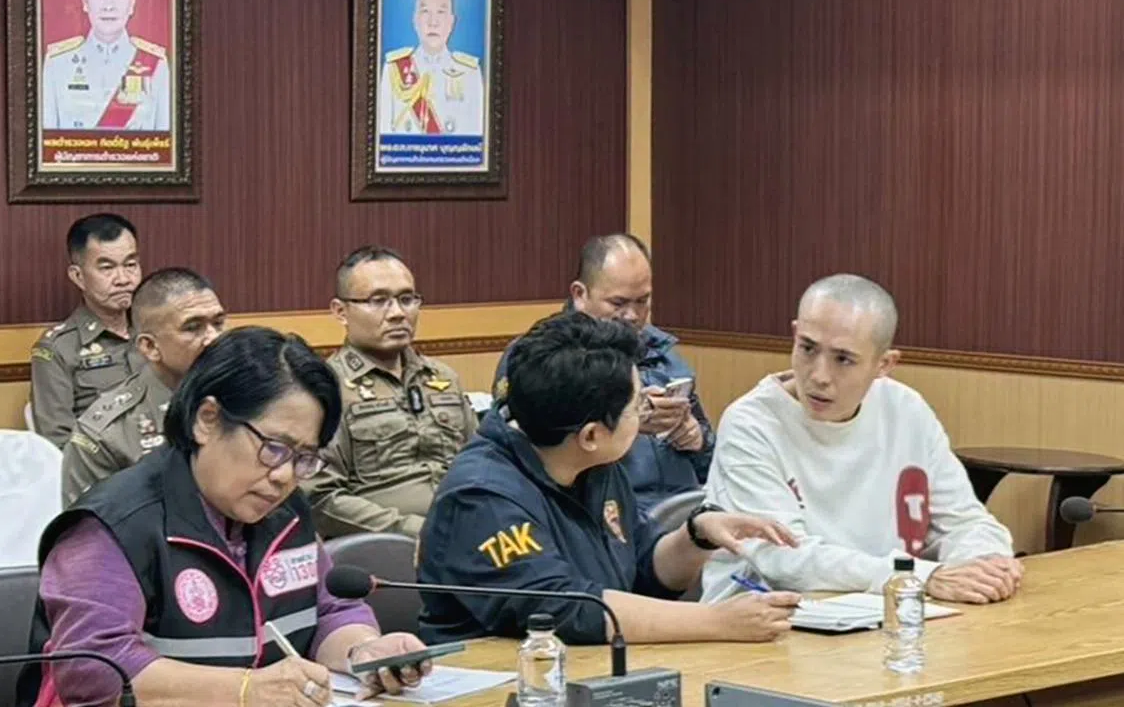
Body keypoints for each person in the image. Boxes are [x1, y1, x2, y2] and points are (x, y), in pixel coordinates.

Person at [17, 327, 433, 707]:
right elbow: (93, 671)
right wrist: (244, 691)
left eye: (305, 458)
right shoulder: (113, 525)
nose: (285, 475)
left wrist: (363, 651)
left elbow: (329, 611)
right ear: (207, 420)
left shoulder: (286, 511)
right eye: (274, 447)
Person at [418, 312, 803, 644]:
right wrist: (717, 621)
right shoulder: (481, 496)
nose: (646, 411)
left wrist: (697, 536)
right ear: (590, 435)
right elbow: (566, 610)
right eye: (637, 405)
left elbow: (644, 569)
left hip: (595, 673)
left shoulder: (595, 465)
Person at [701, 274, 1021, 606]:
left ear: (885, 364)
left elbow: (963, 520)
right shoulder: (751, 423)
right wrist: (919, 577)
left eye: (843, 359)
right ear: (795, 335)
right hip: (768, 620)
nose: (819, 376)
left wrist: (986, 564)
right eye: (807, 348)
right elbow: (785, 561)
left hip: (885, 609)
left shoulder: (906, 409)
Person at [494, 234, 715, 511]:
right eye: (618, 303)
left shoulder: (665, 355)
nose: (633, 316)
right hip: (603, 514)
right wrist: (624, 419)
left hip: (686, 506)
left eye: (642, 301)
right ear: (580, 295)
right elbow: (517, 452)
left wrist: (695, 438)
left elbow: (710, 463)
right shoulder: (542, 357)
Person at [304, 246, 477, 538]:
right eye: (378, 300)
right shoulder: (324, 387)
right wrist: (418, 531)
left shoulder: (443, 377)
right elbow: (320, 497)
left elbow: (485, 459)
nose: (397, 313)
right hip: (388, 545)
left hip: (470, 528)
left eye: (407, 299)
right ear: (340, 311)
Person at [60, 267, 227, 505]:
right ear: (149, 347)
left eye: (218, 323)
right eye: (193, 327)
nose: (214, 338)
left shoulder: (252, 397)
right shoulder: (105, 435)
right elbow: (89, 535)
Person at [32, 213, 143, 449]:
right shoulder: (57, 349)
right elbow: (57, 442)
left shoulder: (158, 330)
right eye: (107, 268)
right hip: (107, 474)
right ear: (78, 277)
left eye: (131, 264)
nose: (124, 279)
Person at [42, 0, 170, 131]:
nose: (108, 5)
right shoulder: (57, 64)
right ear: (85, 1)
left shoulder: (156, 65)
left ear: (131, 2)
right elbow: (47, 146)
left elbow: (164, 147)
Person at [377, 0, 484, 135]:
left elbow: (477, 139)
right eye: (425, 11)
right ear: (414, 20)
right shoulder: (393, 69)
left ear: (452, 22)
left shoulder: (470, 73)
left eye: (441, 12)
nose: (433, 22)